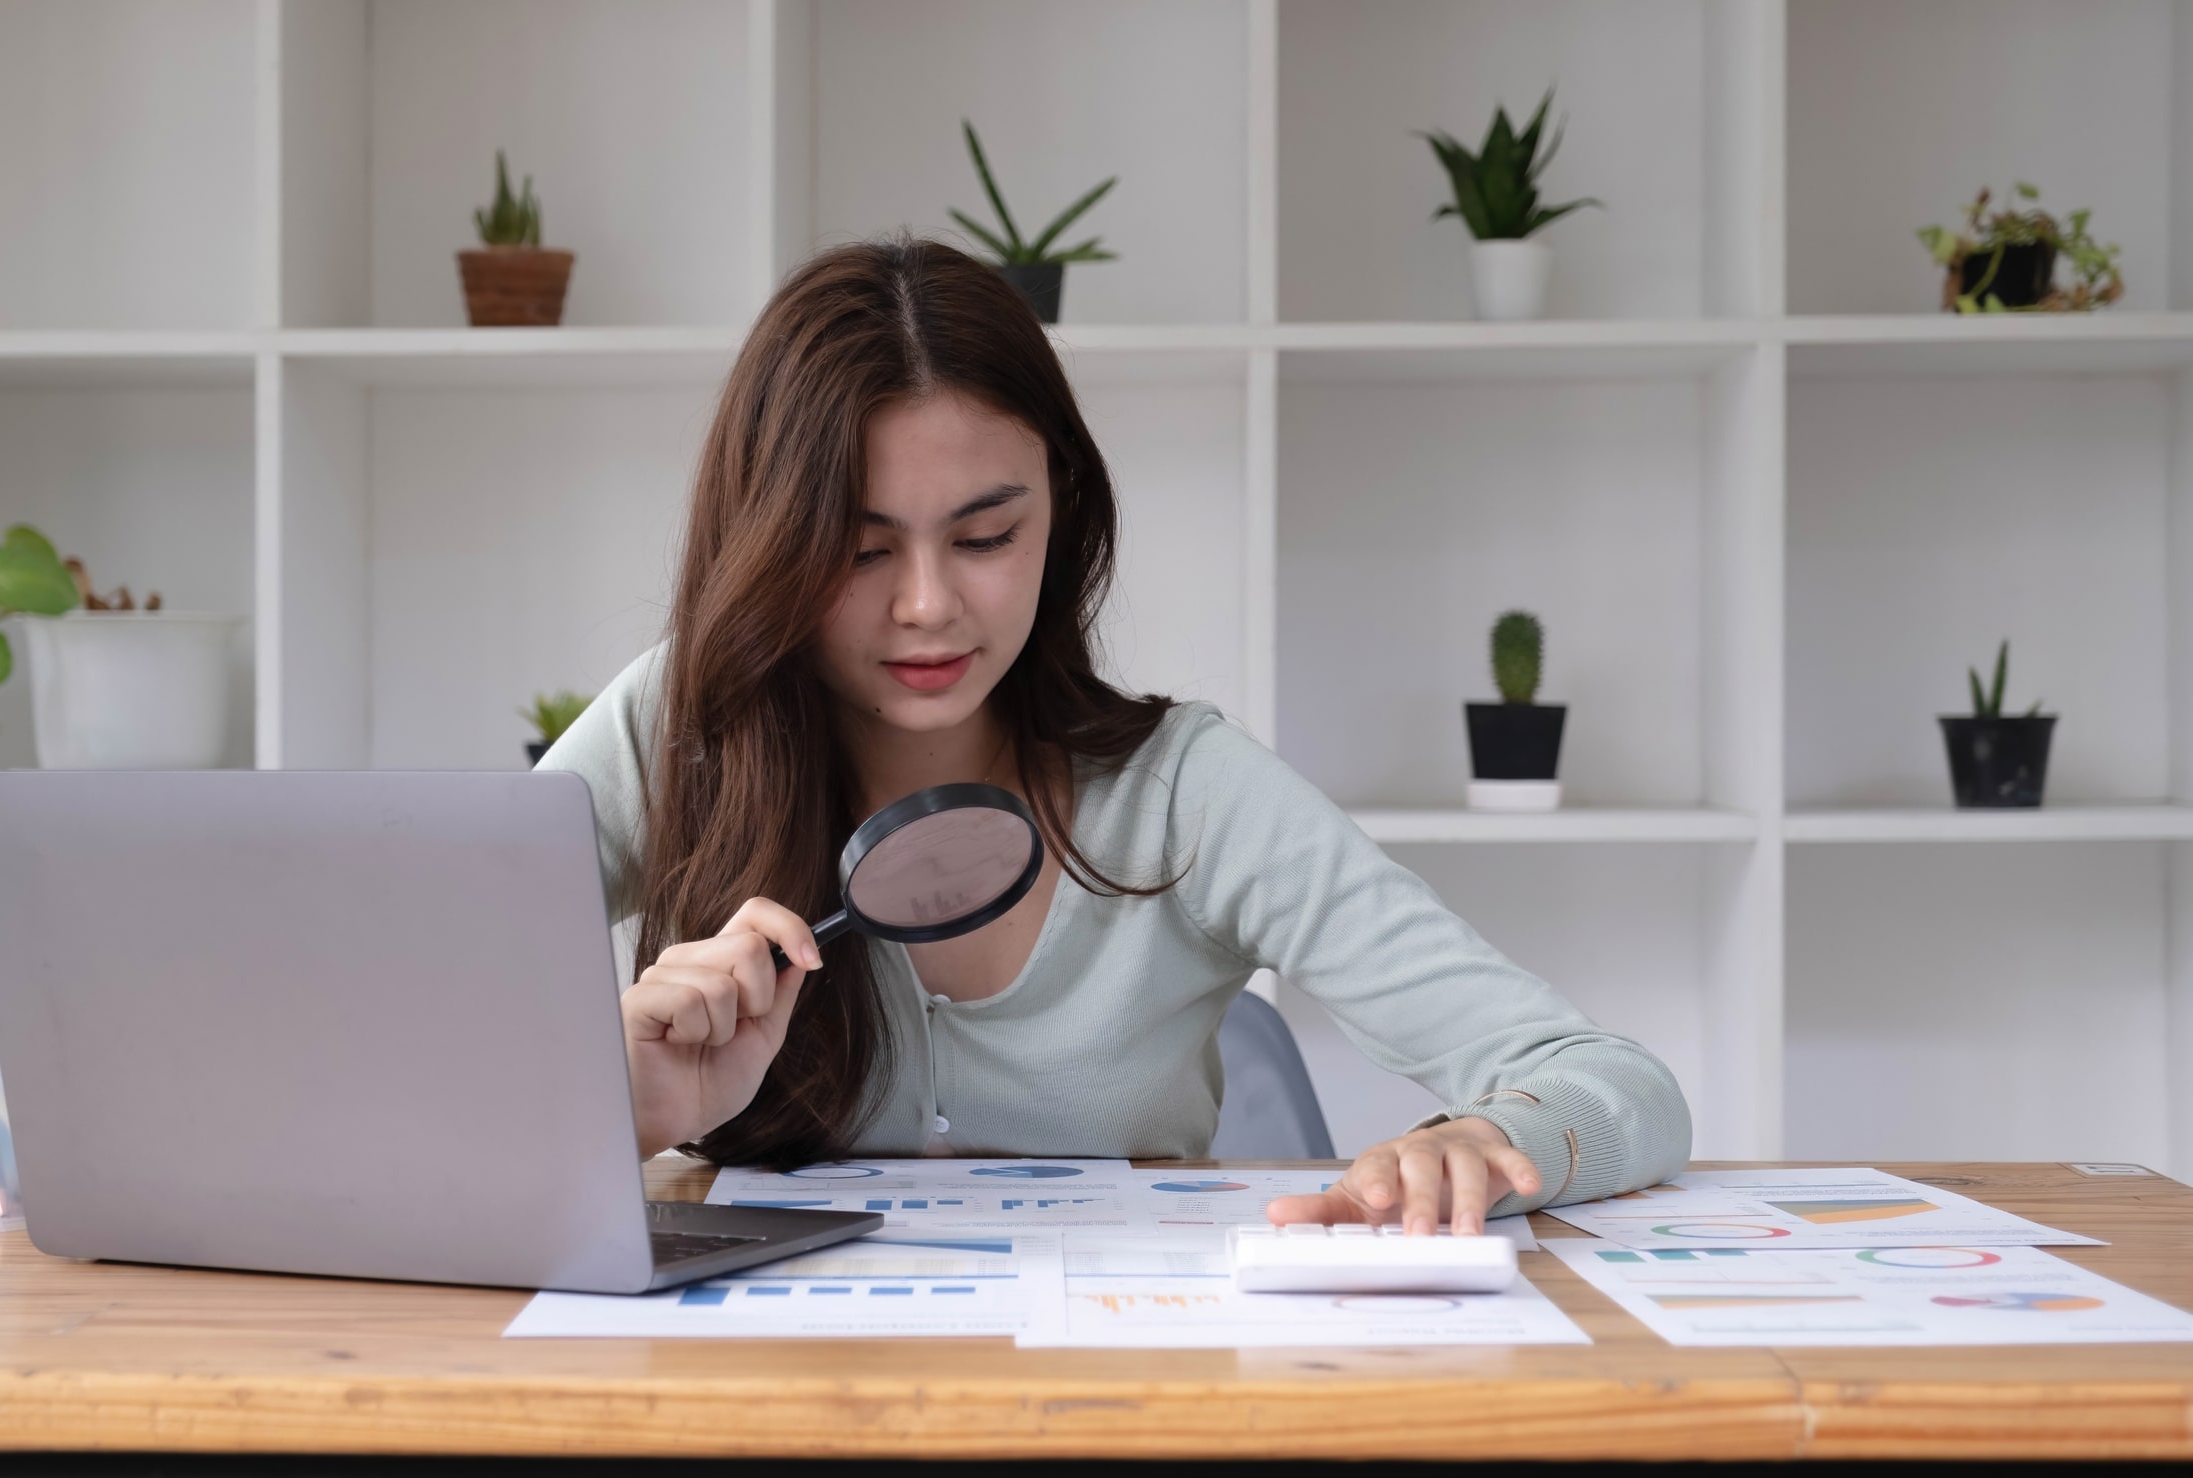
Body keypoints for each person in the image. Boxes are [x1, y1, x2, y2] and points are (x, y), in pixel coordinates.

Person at [538, 236, 1689, 1234]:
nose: (929, 603)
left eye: (986, 535)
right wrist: (618, 1108)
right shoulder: (679, 727)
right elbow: (382, 1026)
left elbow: (1609, 1079)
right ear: (769, 541)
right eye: (860, 547)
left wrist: (1483, 1141)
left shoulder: (1180, 795)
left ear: (1061, 515)